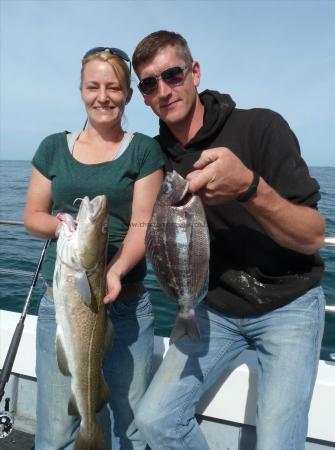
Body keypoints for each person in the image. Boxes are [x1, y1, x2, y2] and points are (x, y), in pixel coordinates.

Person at [131, 31, 326, 450]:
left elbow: (311, 235)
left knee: (276, 441)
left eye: (172, 74)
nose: (164, 90)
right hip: (210, 308)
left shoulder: (260, 127)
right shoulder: (152, 158)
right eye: (150, 84)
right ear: (143, 97)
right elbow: (133, 219)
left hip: (289, 303)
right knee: (154, 421)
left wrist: (248, 188)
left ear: (194, 72)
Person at [24, 46, 164, 450]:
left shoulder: (143, 151)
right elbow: (33, 214)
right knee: (55, 429)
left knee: (131, 425)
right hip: (64, 304)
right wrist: (60, 225)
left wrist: (115, 271)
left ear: (128, 94)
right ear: (81, 90)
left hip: (127, 304)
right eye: (93, 86)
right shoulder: (53, 147)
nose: (103, 96)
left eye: (114, 87)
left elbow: (142, 225)